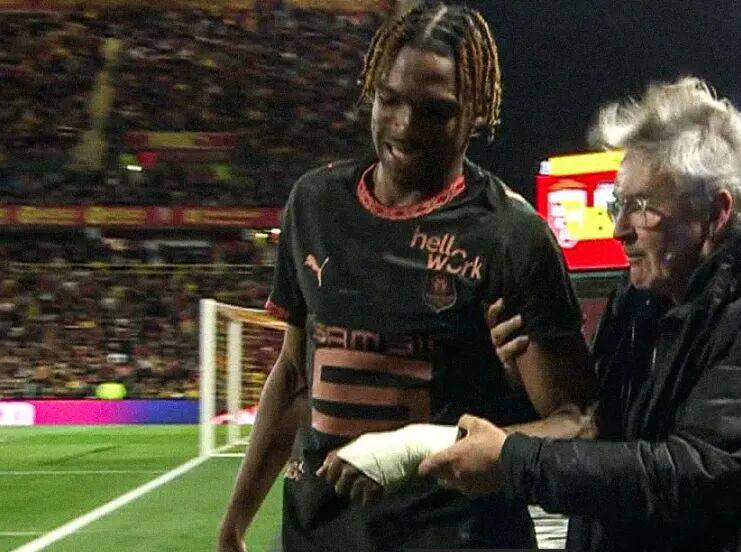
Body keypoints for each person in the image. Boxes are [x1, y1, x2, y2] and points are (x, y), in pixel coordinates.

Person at [418, 77, 741, 552]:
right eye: (618, 203)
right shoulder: (637, 303)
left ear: (716, 213)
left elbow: (693, 475)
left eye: (642, 207)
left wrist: (512, 461)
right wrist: (524, 384)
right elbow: (599, 438)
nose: (618, 229)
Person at [217, 3, 592, 552]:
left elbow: (577, 421)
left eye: (435, 111)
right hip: (318, 535)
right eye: (389, 99)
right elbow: (295, 375)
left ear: (477, 114)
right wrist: (233, 525)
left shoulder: (512, 237)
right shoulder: (315, 204)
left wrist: (424, 446)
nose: (404, 127)